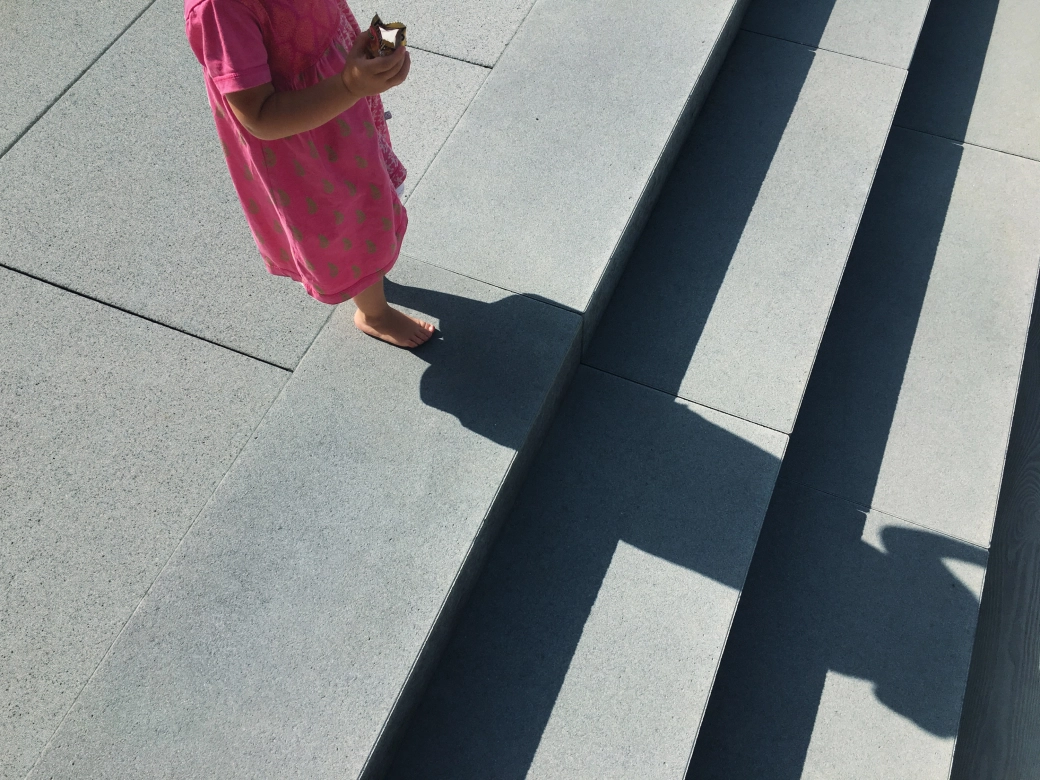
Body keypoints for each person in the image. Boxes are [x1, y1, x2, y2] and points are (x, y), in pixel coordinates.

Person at [184, 0, 435, 348]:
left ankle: (371, 276)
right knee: (351, 221)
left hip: (340, 105)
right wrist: (350, 86)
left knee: (367, 197)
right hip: (305, 143)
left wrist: (364, 72)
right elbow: (259, 115)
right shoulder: (220, 9)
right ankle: (373, 313)